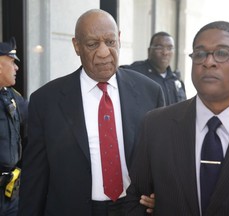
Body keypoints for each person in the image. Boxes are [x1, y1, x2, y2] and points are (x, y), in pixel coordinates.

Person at [125, 21, 229, 216]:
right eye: (200, 54)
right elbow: (134, 201)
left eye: (222, 53)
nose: (208, 62)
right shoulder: (155, 127)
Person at [18, 9, 164, 216]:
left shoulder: (150, 92)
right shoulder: (46, 101)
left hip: (134, 209)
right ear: (77, 46)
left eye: (111, 42)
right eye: (93, 44)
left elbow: (161, 161)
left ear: (119, 39)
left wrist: (161, 196)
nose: (104, 52)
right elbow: (35, 178)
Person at [0, 37, 28, 216]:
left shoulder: (14, 98)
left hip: (11, 195)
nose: (17, 68)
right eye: (12, 62)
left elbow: (37, 123)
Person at [122, 31, 186, 105]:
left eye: (169, 48)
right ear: (149, 51)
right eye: (159, 47)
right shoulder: (135, 73)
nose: (165, 52)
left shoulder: (176, 81)